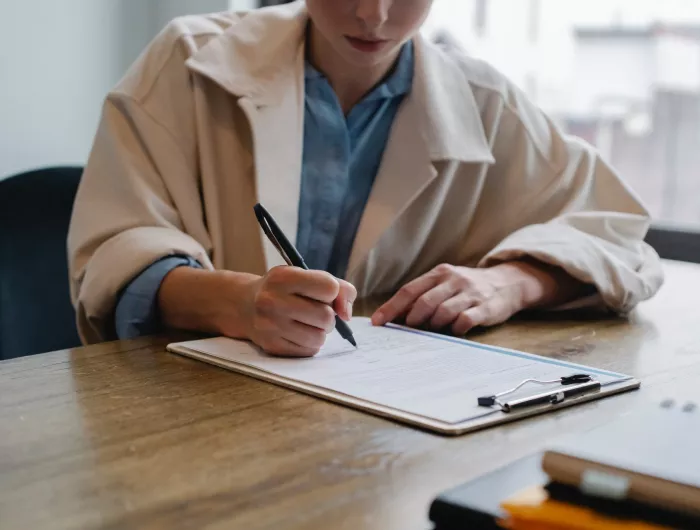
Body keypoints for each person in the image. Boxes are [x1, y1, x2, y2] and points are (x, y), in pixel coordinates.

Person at [68, 0, 663, 357]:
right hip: (192, 418)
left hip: (390, 433)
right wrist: (240, 304)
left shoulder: (488, 106)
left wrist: (510, 283)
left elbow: (619, 236)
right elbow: (115, 252)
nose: (374, 15)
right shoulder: (186, 62)